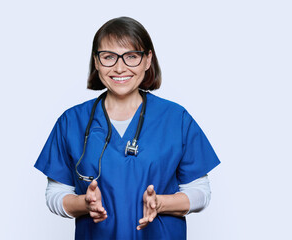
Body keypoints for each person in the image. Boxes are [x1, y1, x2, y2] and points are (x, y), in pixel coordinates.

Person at [34, 16, 220, 239]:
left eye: (132, 56)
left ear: (148, 60)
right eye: (108, 57)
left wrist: (162, 202)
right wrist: (85, 203)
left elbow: (200, 192)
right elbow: (55, 194)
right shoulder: (71, 121)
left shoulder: (176, 119)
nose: (120, 68)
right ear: (96, 61)